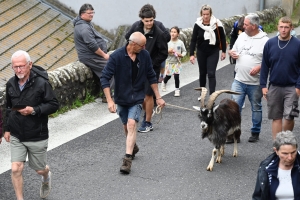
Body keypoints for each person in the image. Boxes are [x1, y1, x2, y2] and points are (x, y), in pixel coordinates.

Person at [100, 32, 165, 174]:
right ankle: (133, 146)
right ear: (133, 44)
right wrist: (110, 100)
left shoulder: (144, 55)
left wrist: (158, 97)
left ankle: (127, 160)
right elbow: (104, 78)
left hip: (137, 98)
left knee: (131, 124)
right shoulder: (116, 57)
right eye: (142, 45)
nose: (144, 47)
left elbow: (151, 76)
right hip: (121, 99)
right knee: (126, 126)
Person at [2, 50, 59, 199]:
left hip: (36, 134)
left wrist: (34, 110)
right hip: (17, 134)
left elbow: (53, 105)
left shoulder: (42, 83)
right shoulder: (10, 84)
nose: (19, 70)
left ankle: (46, 176)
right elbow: (8, 107)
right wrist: (6, 129)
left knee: (39, 169)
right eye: (15, 67)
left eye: (21, 66)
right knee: (16, 168)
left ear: (30, 65)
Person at [125, 4, 168, 133]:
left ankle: (148, 122)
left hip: (151, 67)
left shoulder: (159, 33)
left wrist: (152, 63)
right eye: (146, 21)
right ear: (142, 20)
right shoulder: (136, 27)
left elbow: (163, 53)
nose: (149, 23)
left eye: (151, 20)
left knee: (148, 95)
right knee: (139, 95)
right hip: (136, 66)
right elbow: (128, 42)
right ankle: (147, 113)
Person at [228, 13, 269, 143]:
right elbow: (233, 49)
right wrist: (232, 53)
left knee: (256, 107)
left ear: (254, 26)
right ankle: (234, 133)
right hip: (239, 79)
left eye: (246, 24)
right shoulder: (242, 37)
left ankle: (255, 132)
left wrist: (259, 67)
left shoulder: (265, 41)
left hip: (255, 82)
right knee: (233, 107)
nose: (243, 26)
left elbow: (270, 61)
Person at [260, 16, 300, 140]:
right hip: (274, 86)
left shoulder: (297, 44)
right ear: (278, 27)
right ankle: (277, 145)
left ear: (291, 28)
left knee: (289, 117)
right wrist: (263, 86)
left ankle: (286, 140)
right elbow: (265, 65)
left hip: (292, 86)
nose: (283, 30)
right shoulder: (270, 43)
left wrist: (298, 87)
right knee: (276, 117)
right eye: (281, 27)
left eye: (286, 27)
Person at [73, 3, 110, 103]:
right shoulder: (84, 28)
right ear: (82, 14)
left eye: (92, 12)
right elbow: (92, 45)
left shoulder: (85, 24)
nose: (92, 15)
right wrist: (104, 55)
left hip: (93, 56)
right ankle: (109, 96)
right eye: (89, 13)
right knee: (111, 69)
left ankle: (108, 95)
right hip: (90, 57)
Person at [189, 4, 227, 99]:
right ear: (201, 14)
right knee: (202, 73)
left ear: (210, 14)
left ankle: (212, 95)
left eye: (207, 14)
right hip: (201, 51)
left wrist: (223, 51)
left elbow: (222, 37)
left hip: (213, 51)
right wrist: (191, 54)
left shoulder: (217, 23)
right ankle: (202, 94)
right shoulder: (198, 24)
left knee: (211, 73)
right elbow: (193, 40)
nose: (205, 16)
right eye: (204, 14)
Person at [252, 131, 300, 199]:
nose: (290, 157)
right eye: (285, 153)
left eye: (293, 152)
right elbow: (258, 196)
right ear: (276, 151)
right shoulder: (266, 168)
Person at [161, 26, 187, 97]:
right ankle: (164, 82)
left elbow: (185, 51)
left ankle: (177, 90)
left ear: (178, 34)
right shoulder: (167, 42)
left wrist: (181, 55)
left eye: (174, 32)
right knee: (168, 76)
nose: (173, 33)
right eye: (171, 32)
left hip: (177, 63)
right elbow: (163, 51)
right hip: (169, 62)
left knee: (176, 76)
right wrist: (168, 51)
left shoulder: (180, 43)